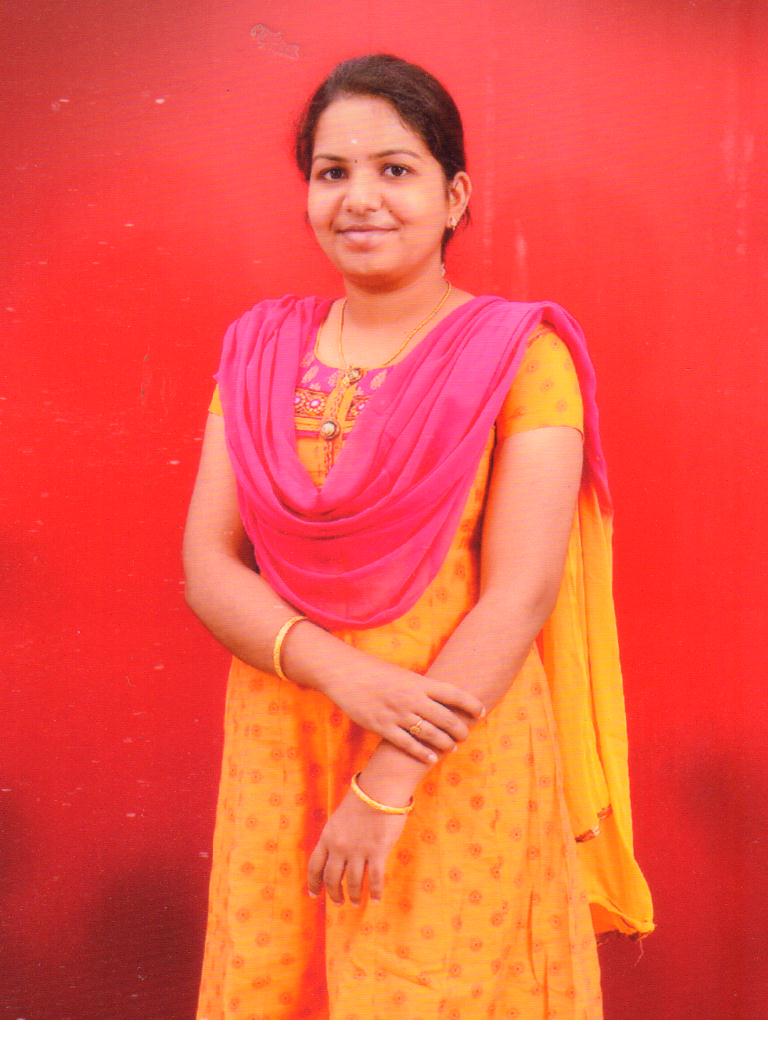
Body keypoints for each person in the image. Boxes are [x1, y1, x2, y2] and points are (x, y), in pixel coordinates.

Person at [183, 53, 655, 1021]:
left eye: (395, 169)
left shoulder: (522, 356)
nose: (360, 198)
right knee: (279, 988)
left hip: (450, 746)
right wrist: (342, 674)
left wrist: (385, 786)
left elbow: (520, 595)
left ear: (454, 196)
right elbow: (207, 566)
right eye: (333, 172)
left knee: (441, 1000)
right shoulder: (258, 352)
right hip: (285, 735)